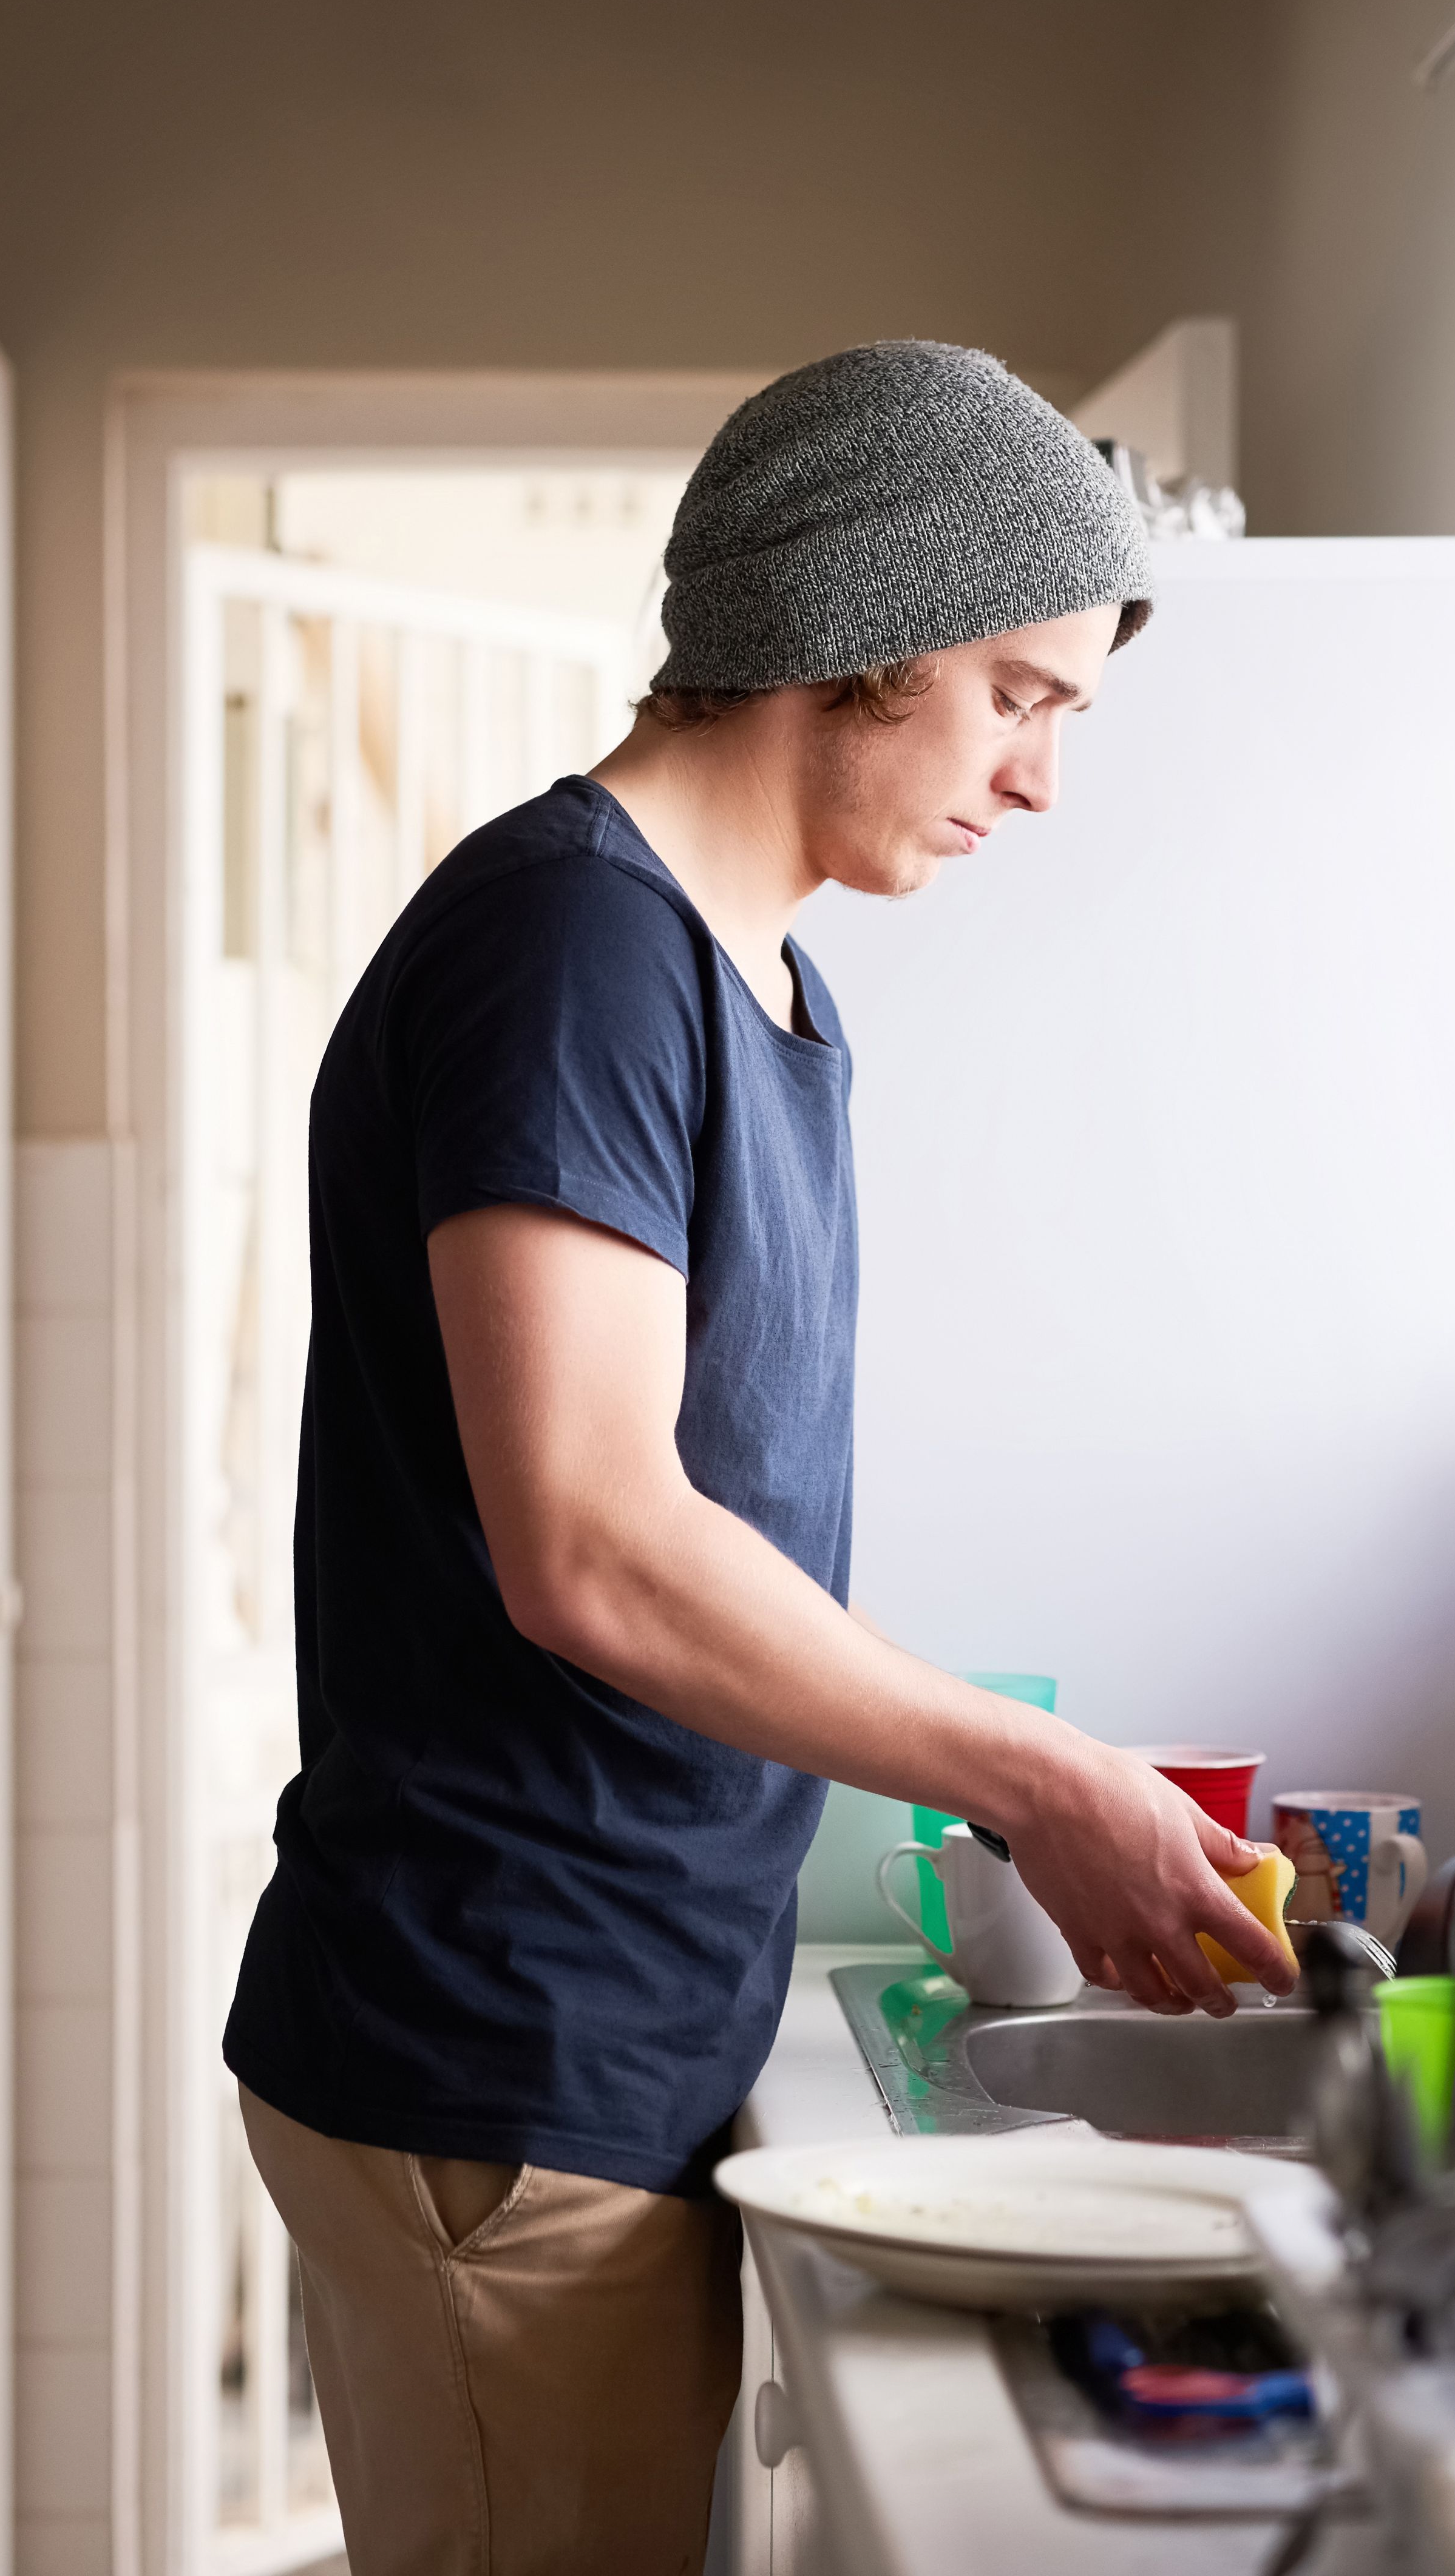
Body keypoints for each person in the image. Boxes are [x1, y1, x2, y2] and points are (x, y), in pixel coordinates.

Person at [223, 340, 1297, 2575]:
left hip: (621, 2018)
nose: (1040, 779)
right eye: (1019, 694)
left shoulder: (758, 983)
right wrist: (1031, 1775)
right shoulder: (574, 950)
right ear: (858, 632)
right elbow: (596, 1549)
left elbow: (715, 1536)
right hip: (506, 2030)